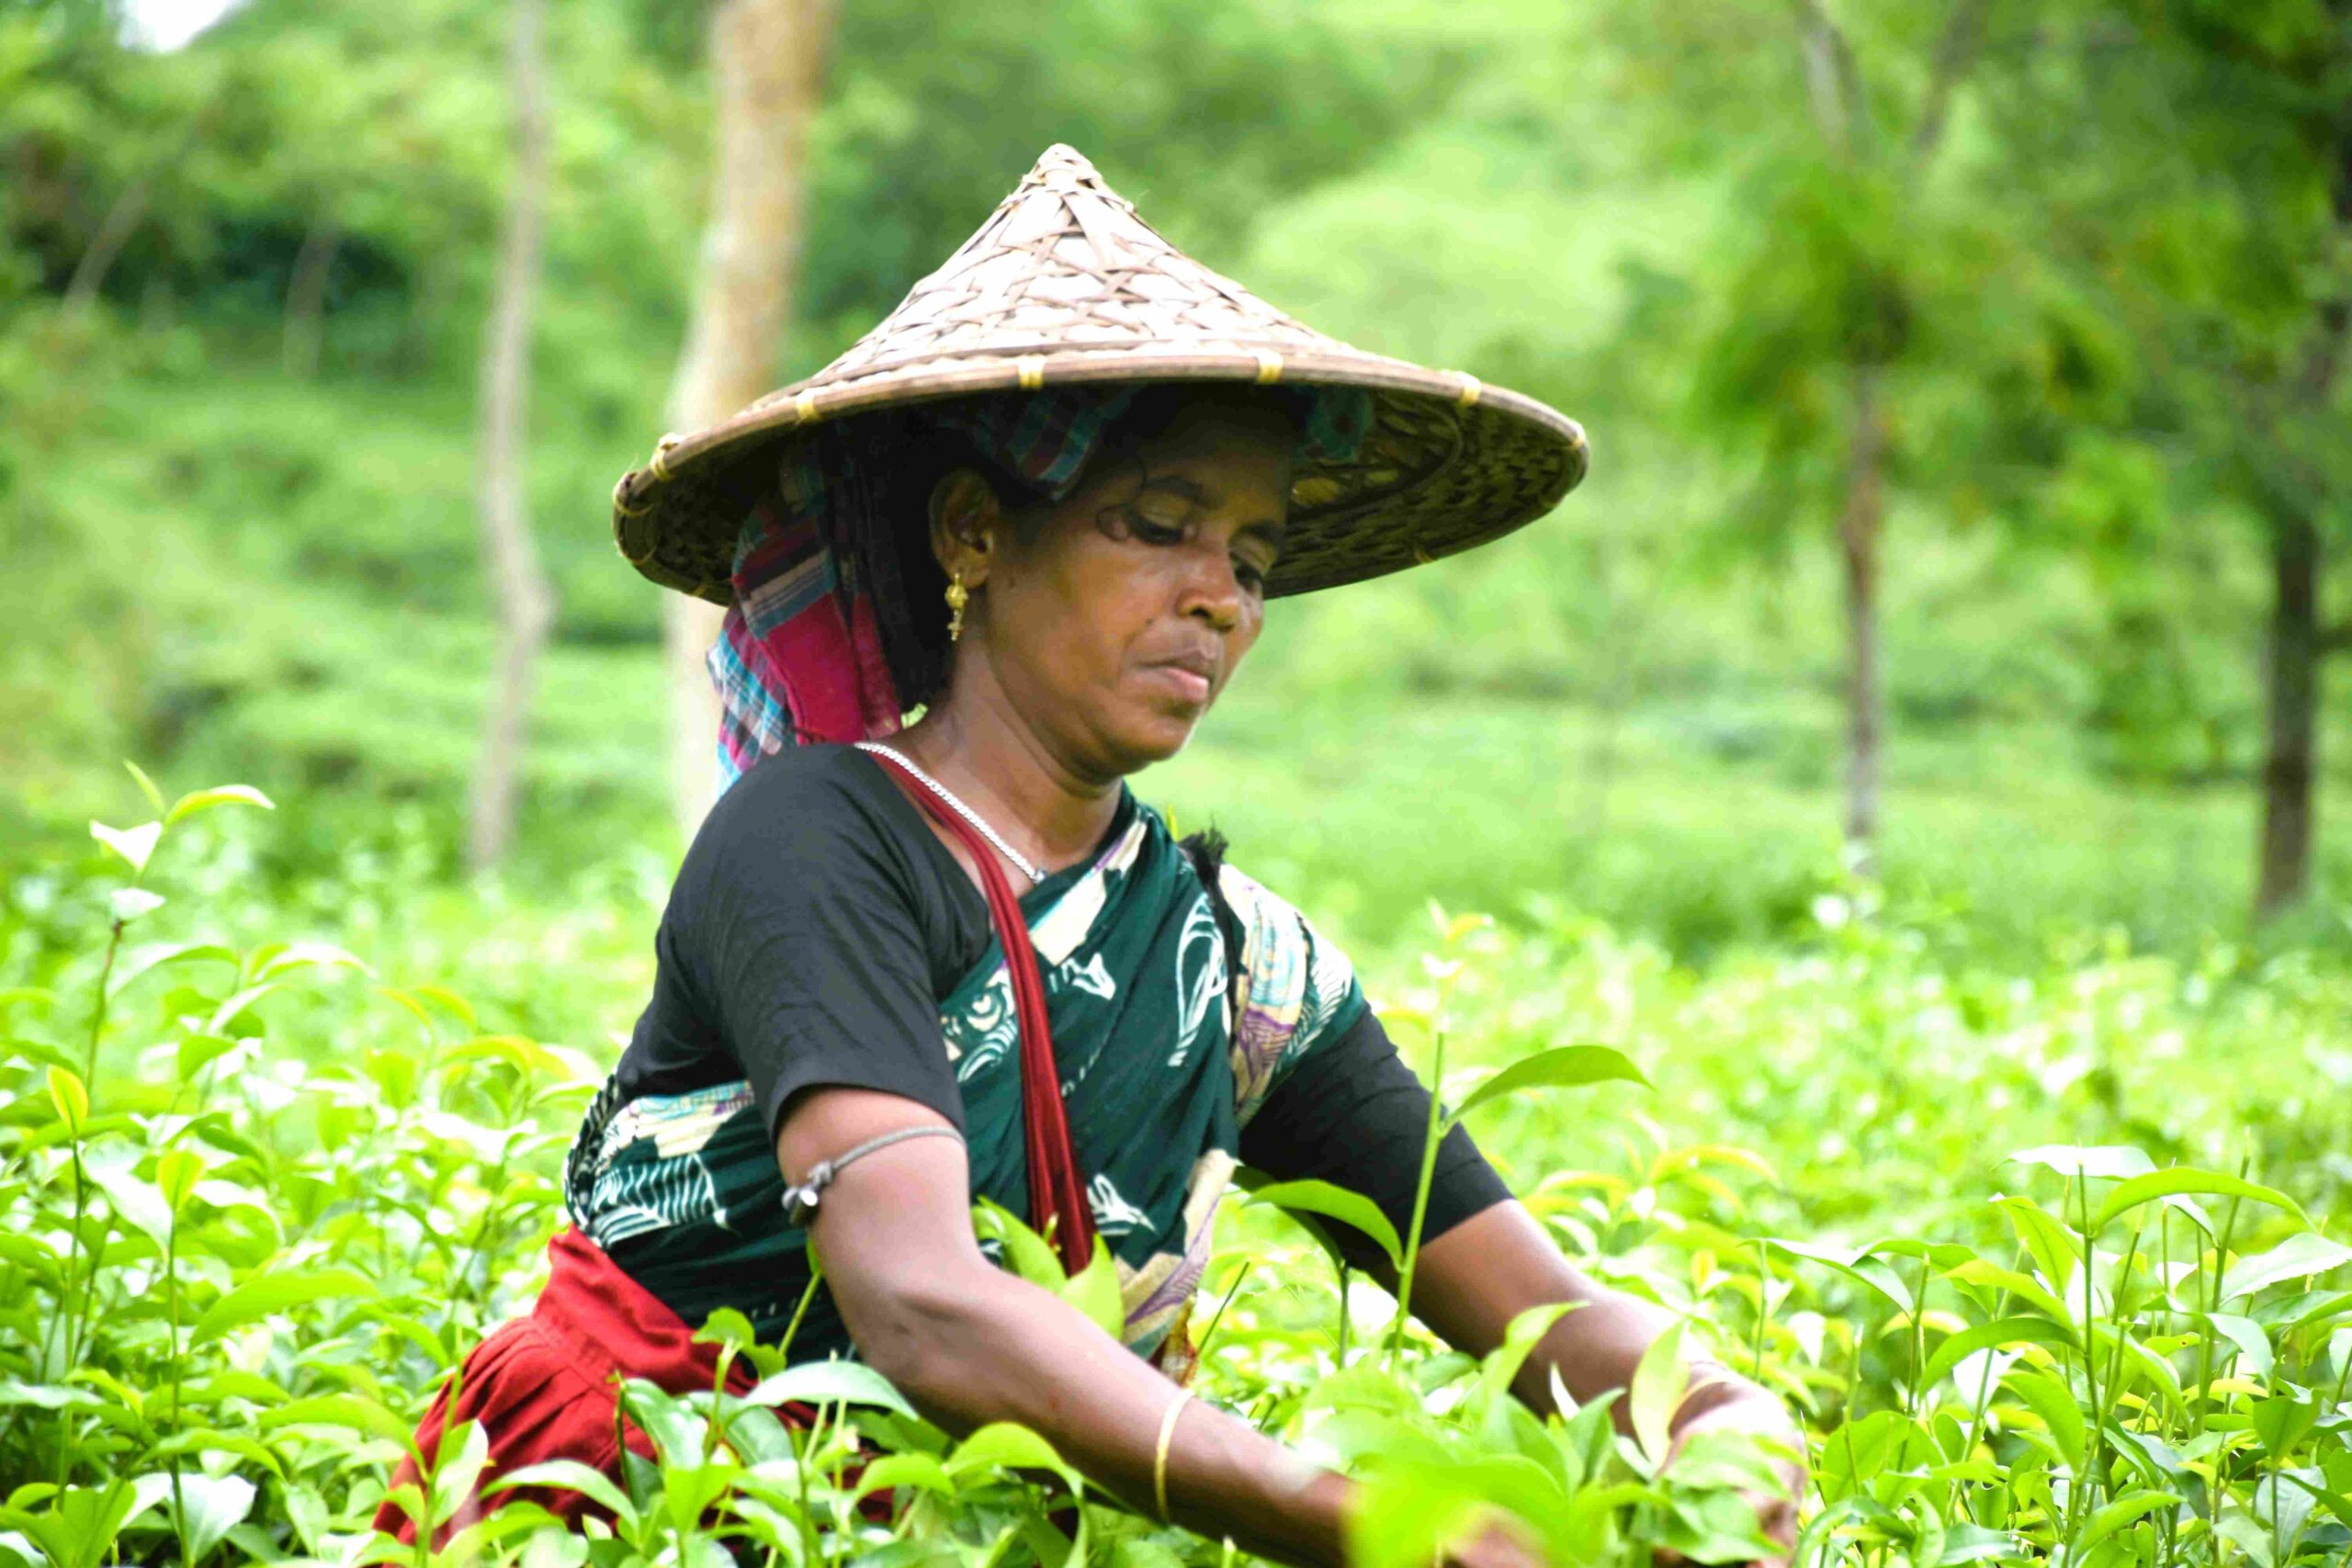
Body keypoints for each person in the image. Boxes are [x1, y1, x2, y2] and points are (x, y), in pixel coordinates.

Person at [380, 146, 1804, 1566]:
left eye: (1251, 561)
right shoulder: (818, 845)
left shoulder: (1232, 967)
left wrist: (1718, 1420)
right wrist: (1356, 1522)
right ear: (977, 532)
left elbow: (1548, 1316)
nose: (1219, 600)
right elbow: (920, 1301)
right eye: (1159, 527)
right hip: (640, 1512)